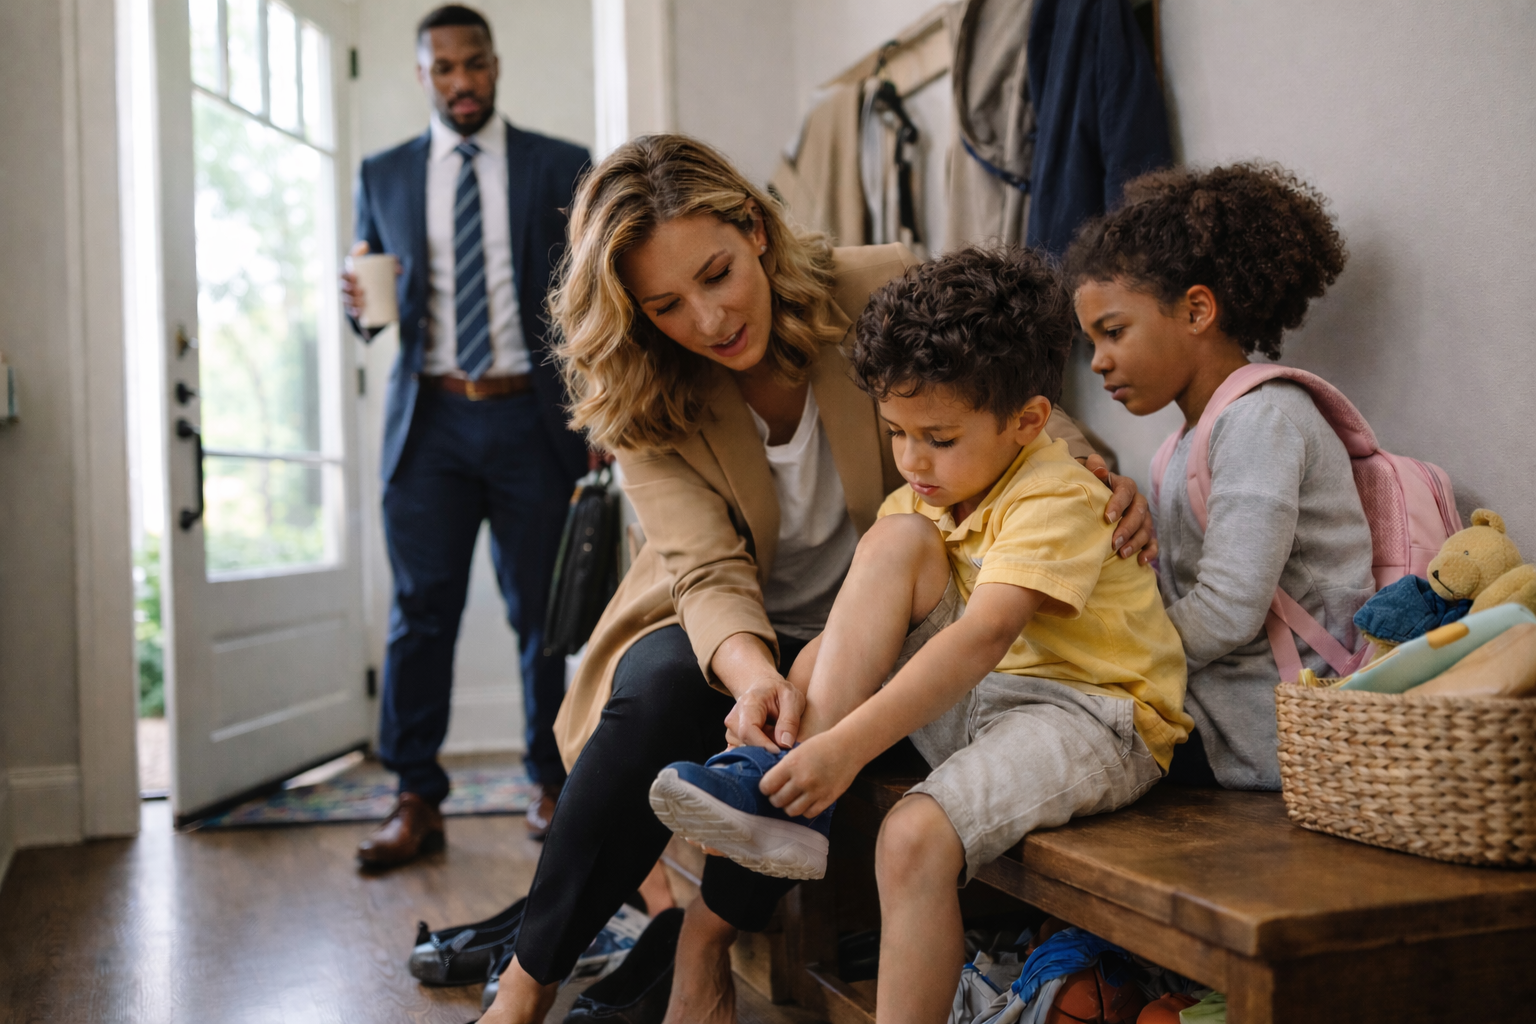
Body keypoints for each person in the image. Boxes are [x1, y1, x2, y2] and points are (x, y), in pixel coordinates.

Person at [478, 136, 1157, 1024]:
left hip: (890, 615)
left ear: (754, 230)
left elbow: (1008, 412)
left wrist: (1099, 475)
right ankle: (525, 990)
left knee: (811, 709)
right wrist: (753, 676)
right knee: (659, 694)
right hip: (733, 620)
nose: (710, 320)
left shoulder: (875, 287)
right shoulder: (639, 388)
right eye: (668, 305)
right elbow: (706, 570)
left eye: (717, 274)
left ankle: (703, 941)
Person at [647, 248, 1191, 1022]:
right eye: (897, 432)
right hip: (986, 701)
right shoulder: (930, 495)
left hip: (1091, 715)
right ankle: (775, 772)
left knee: (910, 839)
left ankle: (798, 786)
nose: (912, 460)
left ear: (1029, 421)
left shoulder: (1057, 492)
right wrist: (797, 704)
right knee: (879, 561)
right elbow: (864, 636)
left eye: (937, 437)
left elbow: (982, 636)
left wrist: (844, 748)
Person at [340, 4, 589, 865]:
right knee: (421, 614)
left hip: (533, 415)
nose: (461, 81)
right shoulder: (383, 174)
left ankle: (550, 782)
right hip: (431, 421)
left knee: (544, 617)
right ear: (423, 77)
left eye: (473, 64)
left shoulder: (562, 166)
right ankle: (415, 796)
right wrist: (358, 310)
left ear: (495, 65)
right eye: (442, 68)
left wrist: (596, 414)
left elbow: (590, 303)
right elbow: (371, 308)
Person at [1067, 162, 1374, 790]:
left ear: (1198, 309)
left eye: (1114, 332)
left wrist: (1100, 654)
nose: (1099, 363)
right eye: (1092, 341)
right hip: (1215, 726)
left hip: (1276, 741)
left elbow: (1229, 612)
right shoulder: (1182, 445)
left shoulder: (1263, 420)